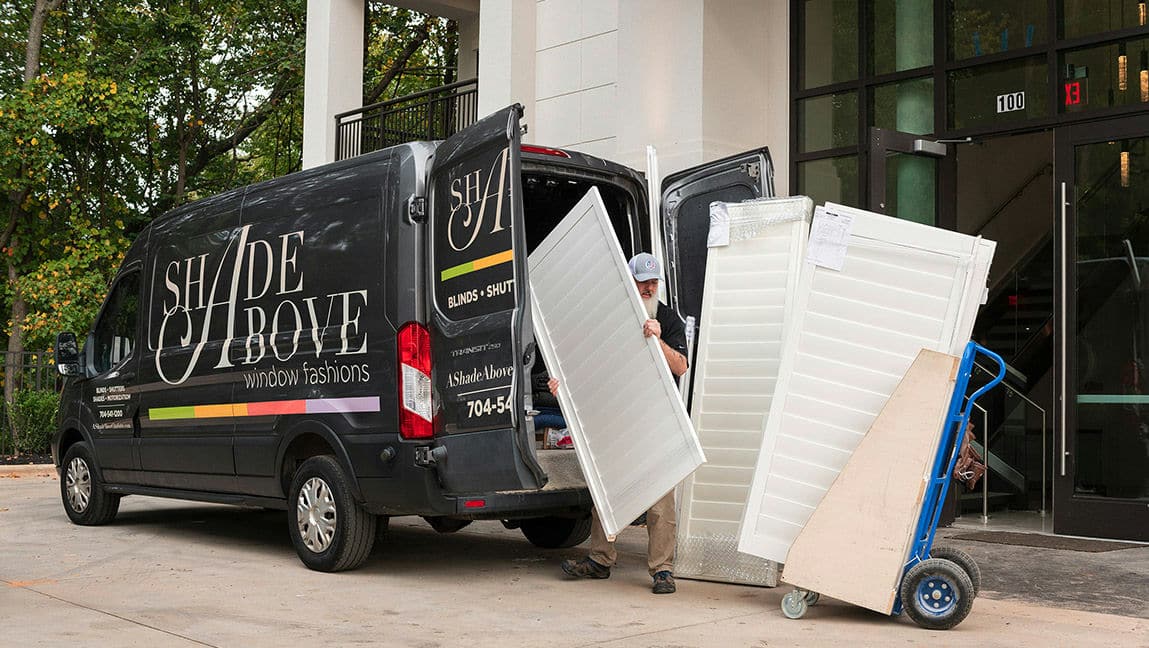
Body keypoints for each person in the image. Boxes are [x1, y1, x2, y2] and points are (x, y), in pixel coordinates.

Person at [554, 252, 689, 595]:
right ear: (629, 282)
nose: (648, 287)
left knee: (660, 502)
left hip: (657, 421)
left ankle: (662, 570)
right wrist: (562, 387)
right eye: (642, 282)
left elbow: (681, 367)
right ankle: (600, 560)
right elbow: (593, 367)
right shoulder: (613, 320)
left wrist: (656, 339)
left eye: (653, 282)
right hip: (621, 418)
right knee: (607, 490)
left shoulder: (670, 320)